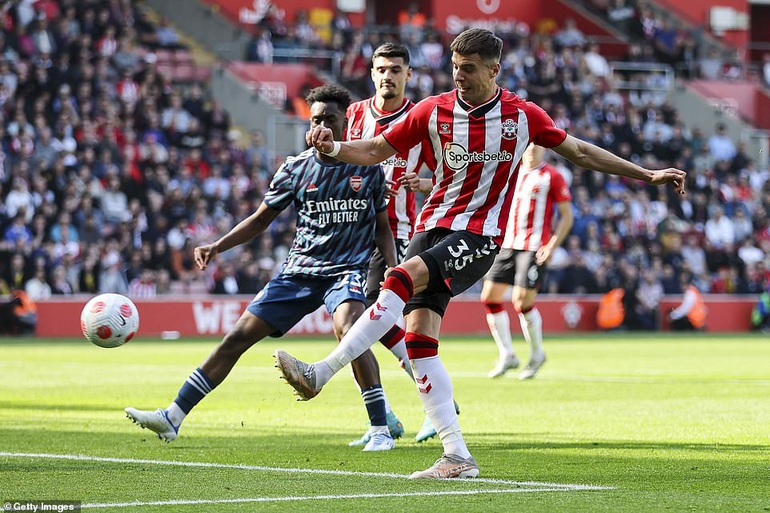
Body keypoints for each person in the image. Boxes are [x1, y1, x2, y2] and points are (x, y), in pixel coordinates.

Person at [275, 28, 686, 479]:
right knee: (418, 340)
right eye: (455, 67)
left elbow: (581, 152)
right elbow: (375, 149)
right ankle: (457, 456)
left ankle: (321, 373)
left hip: (481, 235)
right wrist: (333, 147)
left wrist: (646, 175)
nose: (459, 77)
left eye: (468, 69)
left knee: (398, 280)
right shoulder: (434, 110)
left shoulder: (522, 116)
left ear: (494, 69)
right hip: (430, 228)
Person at [125, 84, 401, 452]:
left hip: (346, 270)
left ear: (346, 121)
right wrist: (217, 245)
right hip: (299, 271)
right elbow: (259, 220)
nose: (322, 126)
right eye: (316, 119)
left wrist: (394, 273)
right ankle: (173, 416)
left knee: (350, 330)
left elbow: (383, 229)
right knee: (237, 336)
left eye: (330, 119)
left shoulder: (367, 169)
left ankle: (380, 430)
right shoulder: (295, 169)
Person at [344, 41, 443, 446]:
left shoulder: (424, 119)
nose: (388, 76)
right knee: (351, 318)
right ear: (372, 73)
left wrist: (422, 183)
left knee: (368, 312)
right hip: (355, 232)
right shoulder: (354, 114)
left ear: (408, 75)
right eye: (381, 69)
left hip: (400, 230)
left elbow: (452, 178)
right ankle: (396, 411)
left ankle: (409, 408)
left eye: (396, 70)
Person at [479, 144, 573, 380]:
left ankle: (537, 354)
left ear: (544, 149)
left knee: (521, 302)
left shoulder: (552, 176)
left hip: (534, 247)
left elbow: (567, 216)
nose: (532, 149)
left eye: (537, 145)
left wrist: (551, 245)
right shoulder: (512, 172)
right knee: (489, 296)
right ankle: (507, 354)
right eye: (528, 145)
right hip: (507, 243)